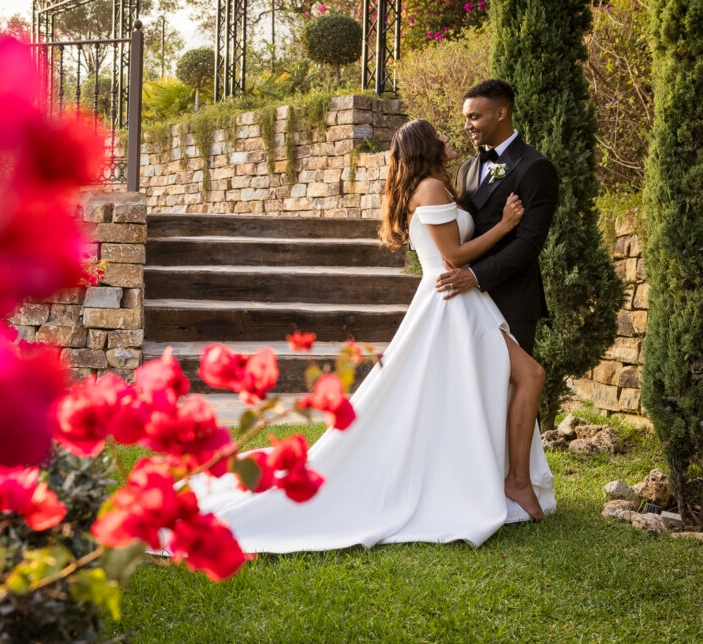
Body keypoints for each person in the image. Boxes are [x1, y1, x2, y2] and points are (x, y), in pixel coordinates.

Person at [188, 114, 556, 553]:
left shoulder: (439, 183)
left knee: (501, 384)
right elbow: (453, 255)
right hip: (452, 302)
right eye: (437, 134)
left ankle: (500, 478)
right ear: (424, 146)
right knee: (525, 375)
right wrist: (505, 226)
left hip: (463, 303)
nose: (446, 136)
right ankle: (509, 482)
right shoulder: (431, 189)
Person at [439, 78, 560, 518]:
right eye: (467, 116)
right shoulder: (467, 170)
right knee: (474, 392)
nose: (468, 124)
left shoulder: (536, 168)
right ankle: (477, 483)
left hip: (511, 298)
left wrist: (475, 275)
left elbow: (528, 246)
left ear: (501, 113)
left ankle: (517, 484)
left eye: (475, 116)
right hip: (467, 303)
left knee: (514, 391)